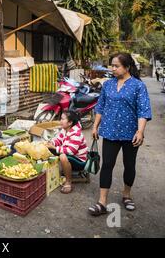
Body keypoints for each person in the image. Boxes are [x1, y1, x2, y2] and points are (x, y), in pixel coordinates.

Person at [88, 53, 152, 216]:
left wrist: (140, 131)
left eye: (116, 66)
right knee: (107, 164)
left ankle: (126, 195)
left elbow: (143, 111)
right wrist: (95, 126)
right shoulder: (108, 85)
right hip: (109, 132)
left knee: (129, 165)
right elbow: (100, 107)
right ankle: (102, 202)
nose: (113, 69)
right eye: (112, 65)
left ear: (127, 67)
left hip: (131, 134)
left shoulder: (138, 86)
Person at [46, 111, 88, 194]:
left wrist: (54, 148)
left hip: (80, 160)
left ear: (70, 122)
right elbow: (58, 139)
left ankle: (68, 182)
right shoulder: (65, 130)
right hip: (71, 155)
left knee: (62, 156)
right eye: (60, 119)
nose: (60, 121)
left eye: (62, 119)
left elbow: (71, 151)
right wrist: (51, 143)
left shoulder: (76, 133)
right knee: (49, 148)